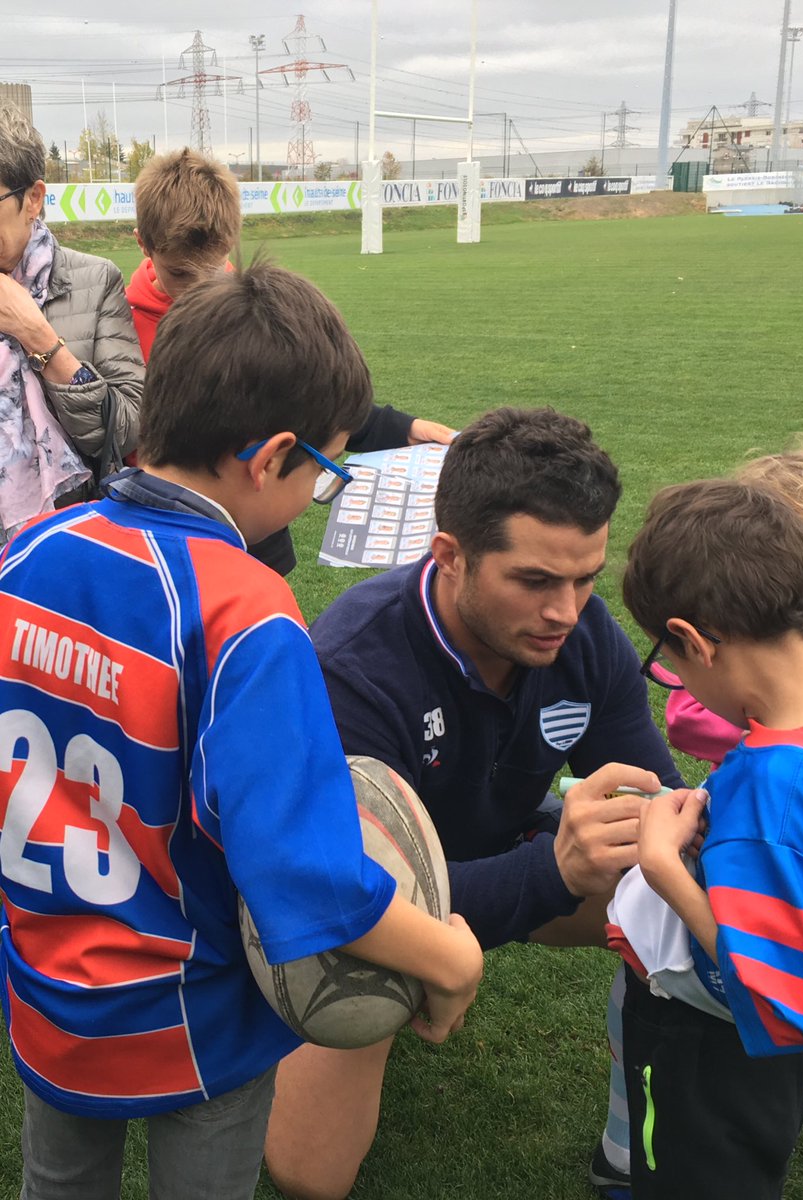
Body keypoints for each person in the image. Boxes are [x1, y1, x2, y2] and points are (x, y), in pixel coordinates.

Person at [0, 260, 482, 1200]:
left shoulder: (28, 554)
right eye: (325, 471)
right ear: (271, 457)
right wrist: (449, 956)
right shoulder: (246, 611)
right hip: (193, 1009)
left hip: (47, 989)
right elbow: (300, 872)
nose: (317, 493)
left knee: (57, 1184)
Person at [264, 406, 686, 1199]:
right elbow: (356, 895)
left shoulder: (581, 634)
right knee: (308, 1174)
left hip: (504, 858)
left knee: (682, 894)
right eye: (534, 580)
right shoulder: (354, 665)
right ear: (450, 556)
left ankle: (636, 1139)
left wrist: (668, 826)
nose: (566, 610)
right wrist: (552, 869)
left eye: (585, 576)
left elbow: (651, 791)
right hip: (374, 913)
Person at [609, 477, 803, 1200]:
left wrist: (663, 868)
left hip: (710, 1047)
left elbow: (782, 1003)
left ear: (696, 643)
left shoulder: (775, 788)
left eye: (669, 666)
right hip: (788, 1039)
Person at [126, 147, 454, 574]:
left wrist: (401, 428)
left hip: (259, 538)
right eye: (181, 275)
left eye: (213, 272)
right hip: (165, 532)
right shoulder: (116, 321)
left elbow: (299, 391)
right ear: (143, 244)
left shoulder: (251, 310)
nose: (200, 294)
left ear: (232, 242)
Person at [0, 101, 143, 541]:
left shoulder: (95, 280)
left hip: (59, 537)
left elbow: (126, 428)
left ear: (34, 199)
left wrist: (36, 334)